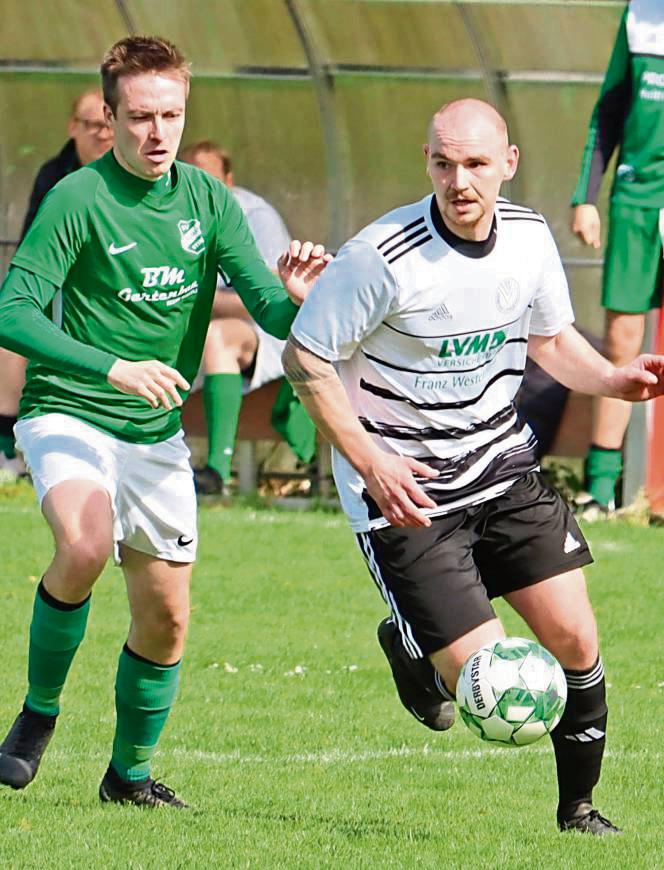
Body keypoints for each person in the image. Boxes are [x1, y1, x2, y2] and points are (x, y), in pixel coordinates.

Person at [283, 98, 664, 834]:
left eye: (475, 163)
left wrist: (616, 378)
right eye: (443, 163)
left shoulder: (530, 238)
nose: (459, 180)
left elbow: (551, 339)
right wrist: (371, 462)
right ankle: (412, 645)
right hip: (408, 492)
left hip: (502, 470)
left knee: (576, 640)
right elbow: (305, 359)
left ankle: (580, 814)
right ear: (427, 163)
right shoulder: (382, 257)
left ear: (508, 163)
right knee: (483, 687)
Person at [0, 35, 329, 808]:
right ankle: (36, 718)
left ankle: (130, 776)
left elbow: (271, 313)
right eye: (140, 116)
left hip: (153, 436)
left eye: (171, 115)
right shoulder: (78, 198)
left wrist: (300, 295)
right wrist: (110, 365)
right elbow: (11, 310)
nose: (157, 133)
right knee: (82, 544)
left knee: (167, 622)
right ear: (109, 117)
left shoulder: (208, 200)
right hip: (71, 411)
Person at [571, 0, 664, 524]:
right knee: (621, 340)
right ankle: (600, 487)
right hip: (635, 201)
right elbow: (609, 110)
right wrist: (586, 197)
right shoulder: (640, 14)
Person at [179, 140, 315, 494]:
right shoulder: (170, 211)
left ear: (229, 180)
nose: (201, 188)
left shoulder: (255, 215)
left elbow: (267, 298)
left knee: (217, 337)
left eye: (210, 178)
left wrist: (200, 304)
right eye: (191, 177)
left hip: (262, 331)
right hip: (186, 328)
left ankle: (216, 471)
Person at [0, 89, 114, 480]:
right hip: (61, 290)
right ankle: (7, 450)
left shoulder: (138, 174)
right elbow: (35, 248)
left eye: (107, 124)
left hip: (116, 298)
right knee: (12, 332)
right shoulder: (54, 174)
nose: (103, 134)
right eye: (92, 125)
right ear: (73, 128)